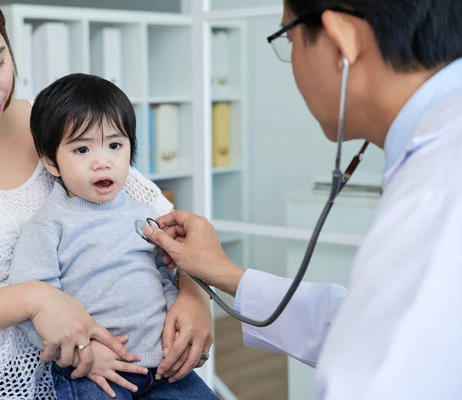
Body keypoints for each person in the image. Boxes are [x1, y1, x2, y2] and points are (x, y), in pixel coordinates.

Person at [0, 1, 213, 399]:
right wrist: (34, 298)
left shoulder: (59, 127)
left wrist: (193, 294)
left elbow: (164, 229)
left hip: (96, 365)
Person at [144, 0, 462, 399]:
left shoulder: (439, 186)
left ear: (340, 40)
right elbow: (367, 327)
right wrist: (222, 271)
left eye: (288, 36)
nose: (292, 59)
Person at [8, 73, 218, 400]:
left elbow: (165, 276)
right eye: (81, 149)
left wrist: (179, 321)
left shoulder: (143, 213)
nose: (102, 161)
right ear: (51, 161)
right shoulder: (48, 226)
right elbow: (31, 307)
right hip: (95, 372)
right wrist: (83, 352)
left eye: (115, 145)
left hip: (163, 367)